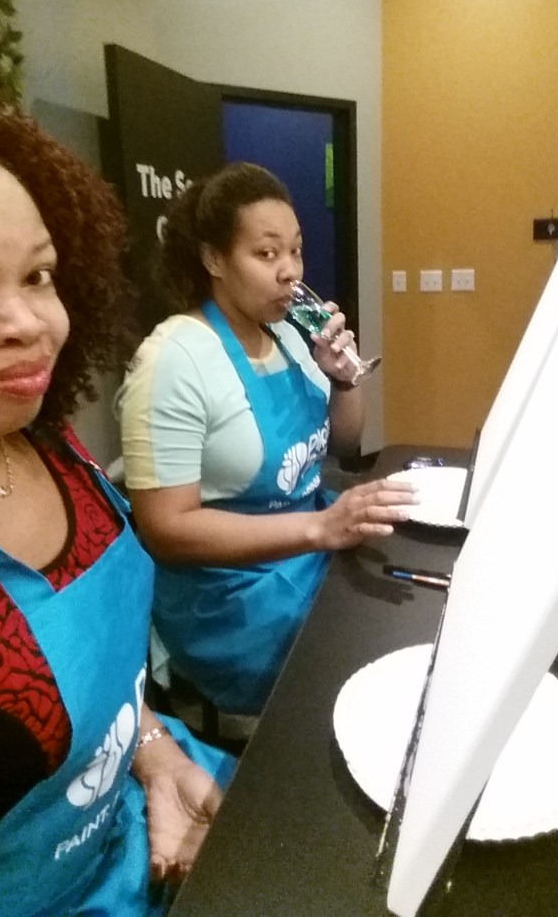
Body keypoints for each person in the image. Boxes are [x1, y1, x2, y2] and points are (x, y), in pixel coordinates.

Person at [0, 108, 235, 917]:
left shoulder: (48, 445)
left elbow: (111, 683)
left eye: (39, 275)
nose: (27, 323)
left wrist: (153, 752)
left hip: (139, 825)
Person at [117, 162, 417, 717]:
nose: (290, 271)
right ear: (213, 259)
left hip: (307, 552)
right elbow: (165, 529)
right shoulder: (174, 360)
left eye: (295, 251)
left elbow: (343, 446)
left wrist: (343, 379)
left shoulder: (289, 335)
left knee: (400, 612)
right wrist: (320, 528)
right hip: (231, 601)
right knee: (368, 668)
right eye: (266, 253)